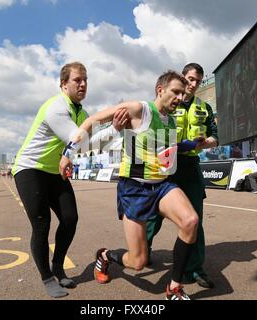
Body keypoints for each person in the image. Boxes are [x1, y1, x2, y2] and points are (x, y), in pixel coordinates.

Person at [59, 70, 199, 300]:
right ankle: (105, 256)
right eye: (175, 92)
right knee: (138, 262)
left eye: (183, 94)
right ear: (160, 90)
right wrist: (69, 154)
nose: (180, 97)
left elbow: (166, 150)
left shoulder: (171, 121)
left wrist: (191, 145)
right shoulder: (138, 109)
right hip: (134, 190)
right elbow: (93, 120)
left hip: (162, 186)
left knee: (190, 221)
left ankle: (174, 288)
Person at [12, 61, 128, 298]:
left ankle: (57, 265)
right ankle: (47, 277)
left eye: (86, 80)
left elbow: (92, 146)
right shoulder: (56, 107)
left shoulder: (82, 113)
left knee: (70, 218)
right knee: (41, 225)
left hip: (55, 170)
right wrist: (106, 117)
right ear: (64, 84)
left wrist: (114, 129)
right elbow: (78, 139)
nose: (83, 84)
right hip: (30, 169)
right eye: (78, 80)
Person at [145, 63, 218, 289]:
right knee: (153, 215)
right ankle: (142, 250)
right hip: (165, 165)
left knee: (195, 218)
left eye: (198, 80)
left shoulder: (205, 107)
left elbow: (216, 137)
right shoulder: (167, 101)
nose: (193, 84)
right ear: (182, 77)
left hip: (190, 167)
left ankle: (194, 268)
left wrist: (206, 142)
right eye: (190, 78)